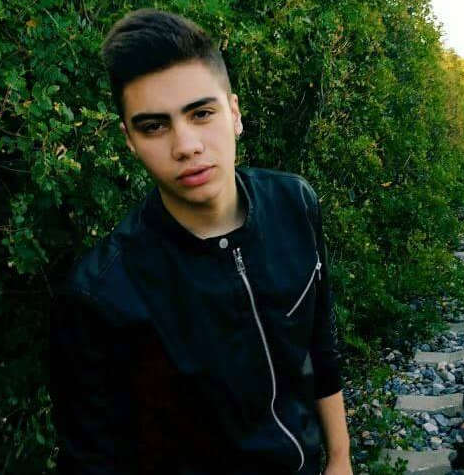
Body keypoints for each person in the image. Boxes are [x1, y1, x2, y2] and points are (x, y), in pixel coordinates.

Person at [49, 8, 352, 475]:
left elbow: (320, 345)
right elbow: (93, 460)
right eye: (154, 126)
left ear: (234, 113)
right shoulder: (103, 295)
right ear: (130, 139)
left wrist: (340, 457)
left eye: (201, 113)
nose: (186, 145)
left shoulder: (294, 203)